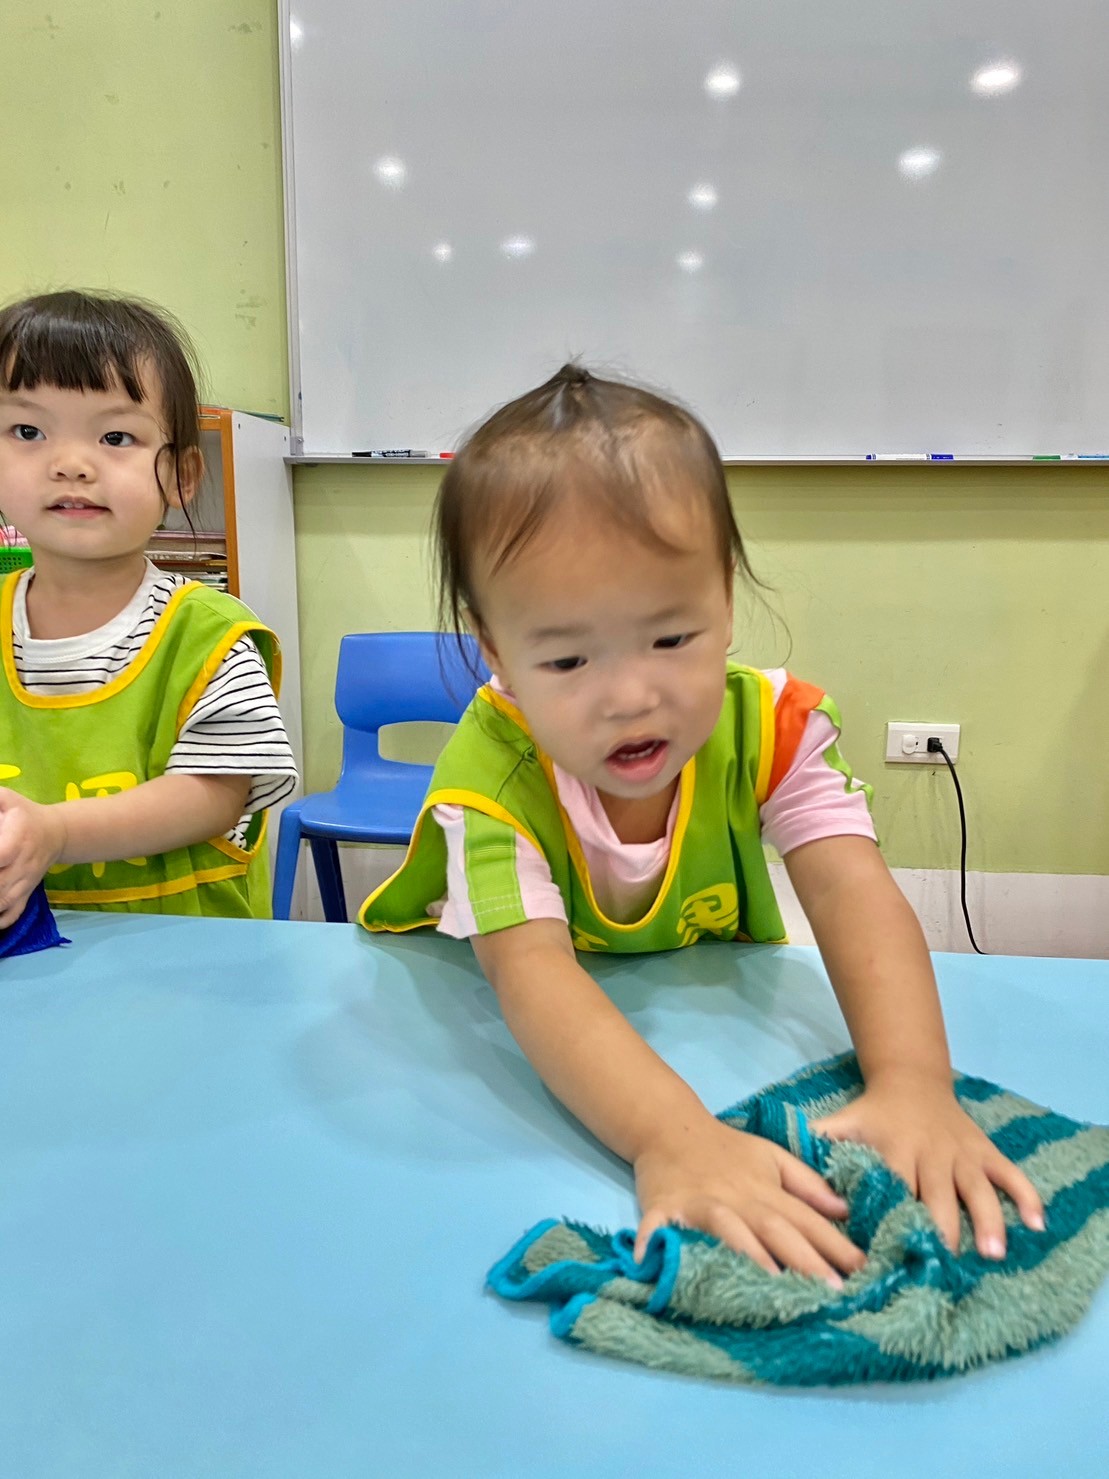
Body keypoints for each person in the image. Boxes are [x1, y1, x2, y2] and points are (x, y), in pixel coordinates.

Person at [360, 364, 1043, 1285]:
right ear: (497, 652)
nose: (629, 696)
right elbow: (530, 975)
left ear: (724, 599)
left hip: (717, 1012)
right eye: (566, 660)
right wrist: (673, 1138)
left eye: (671, 638)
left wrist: (914, 1082)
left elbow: (849, 887)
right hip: (488, 1025)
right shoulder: (484, 785)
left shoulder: (772, 727)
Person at [0, 290, 297, 919]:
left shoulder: (209, 637)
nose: (71, 464)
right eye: (28, 431)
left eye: (115, 436)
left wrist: (54, 833)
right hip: (29, 964)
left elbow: (216, 795)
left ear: (181, 476)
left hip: (185, 958)